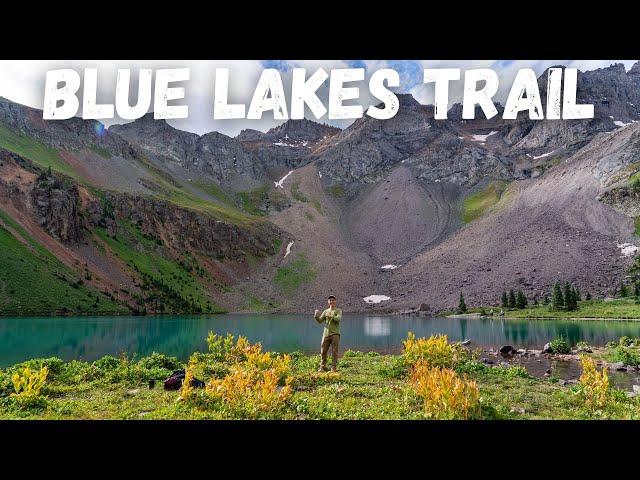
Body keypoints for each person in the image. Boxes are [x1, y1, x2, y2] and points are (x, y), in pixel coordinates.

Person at [314, 295, 342, 372]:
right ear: (328, 302)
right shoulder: (325, 311)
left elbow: (338, 319)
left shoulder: (338, 310)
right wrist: (316, 316)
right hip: (326, 334)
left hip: (335, 334)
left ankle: (333, 367)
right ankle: (322, 366)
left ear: (335, 301)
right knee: (323, 351)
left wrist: (332, 316)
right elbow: (320, 321)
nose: (331, 301)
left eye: (333, 300)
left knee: (334, 351)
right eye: (330, 300)